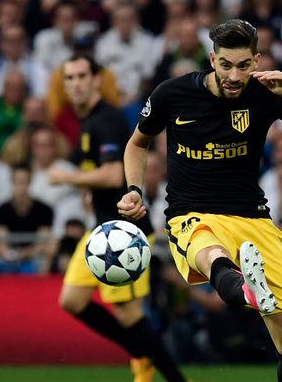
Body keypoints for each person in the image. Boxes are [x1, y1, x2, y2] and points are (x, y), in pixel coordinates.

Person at [118, 19, 282, 382]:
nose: (234, 76)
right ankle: (248, 290)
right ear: (212, 59)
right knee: (211, 254)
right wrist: (134, 190)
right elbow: (137, 143)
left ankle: (250, 288)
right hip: (191, 214)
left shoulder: (266, 93)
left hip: (253, 218)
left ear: (256, 60)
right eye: (225, 65)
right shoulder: (172, 94)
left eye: (243, 65)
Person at [49, 54, 186, 382]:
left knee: (129, 315)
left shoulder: (106, 119)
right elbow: (103, 174)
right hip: (102, 229)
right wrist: (88, 189)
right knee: (72, 300)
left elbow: (112, 175)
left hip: (126, 231)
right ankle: (141, 352)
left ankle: (173, 377)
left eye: (83, 76)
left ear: (96, 80)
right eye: (70, 78)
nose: (77, 83)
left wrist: (68, 178)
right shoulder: (88, 120)